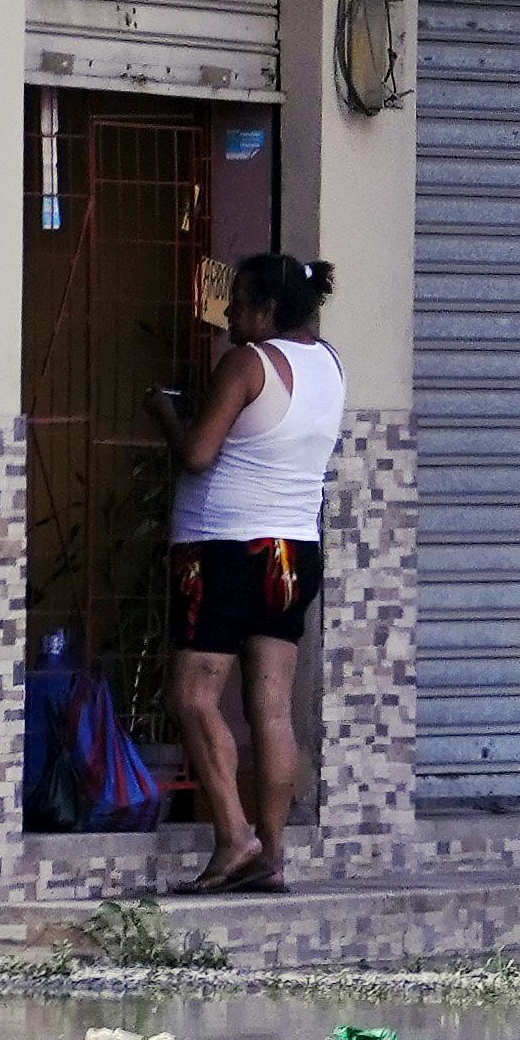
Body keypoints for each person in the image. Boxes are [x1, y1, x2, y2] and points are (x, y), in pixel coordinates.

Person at [150, 253, 343, 895]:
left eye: (237, 302)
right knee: (273, 711)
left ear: (265, 310)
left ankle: (235, 838)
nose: (229, 312)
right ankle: (273, 853)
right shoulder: (330, 365)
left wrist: (166, 414)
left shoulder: (247, 363)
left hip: (223, 551)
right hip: (293, 555)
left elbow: (200, 454)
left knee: (192, 696)